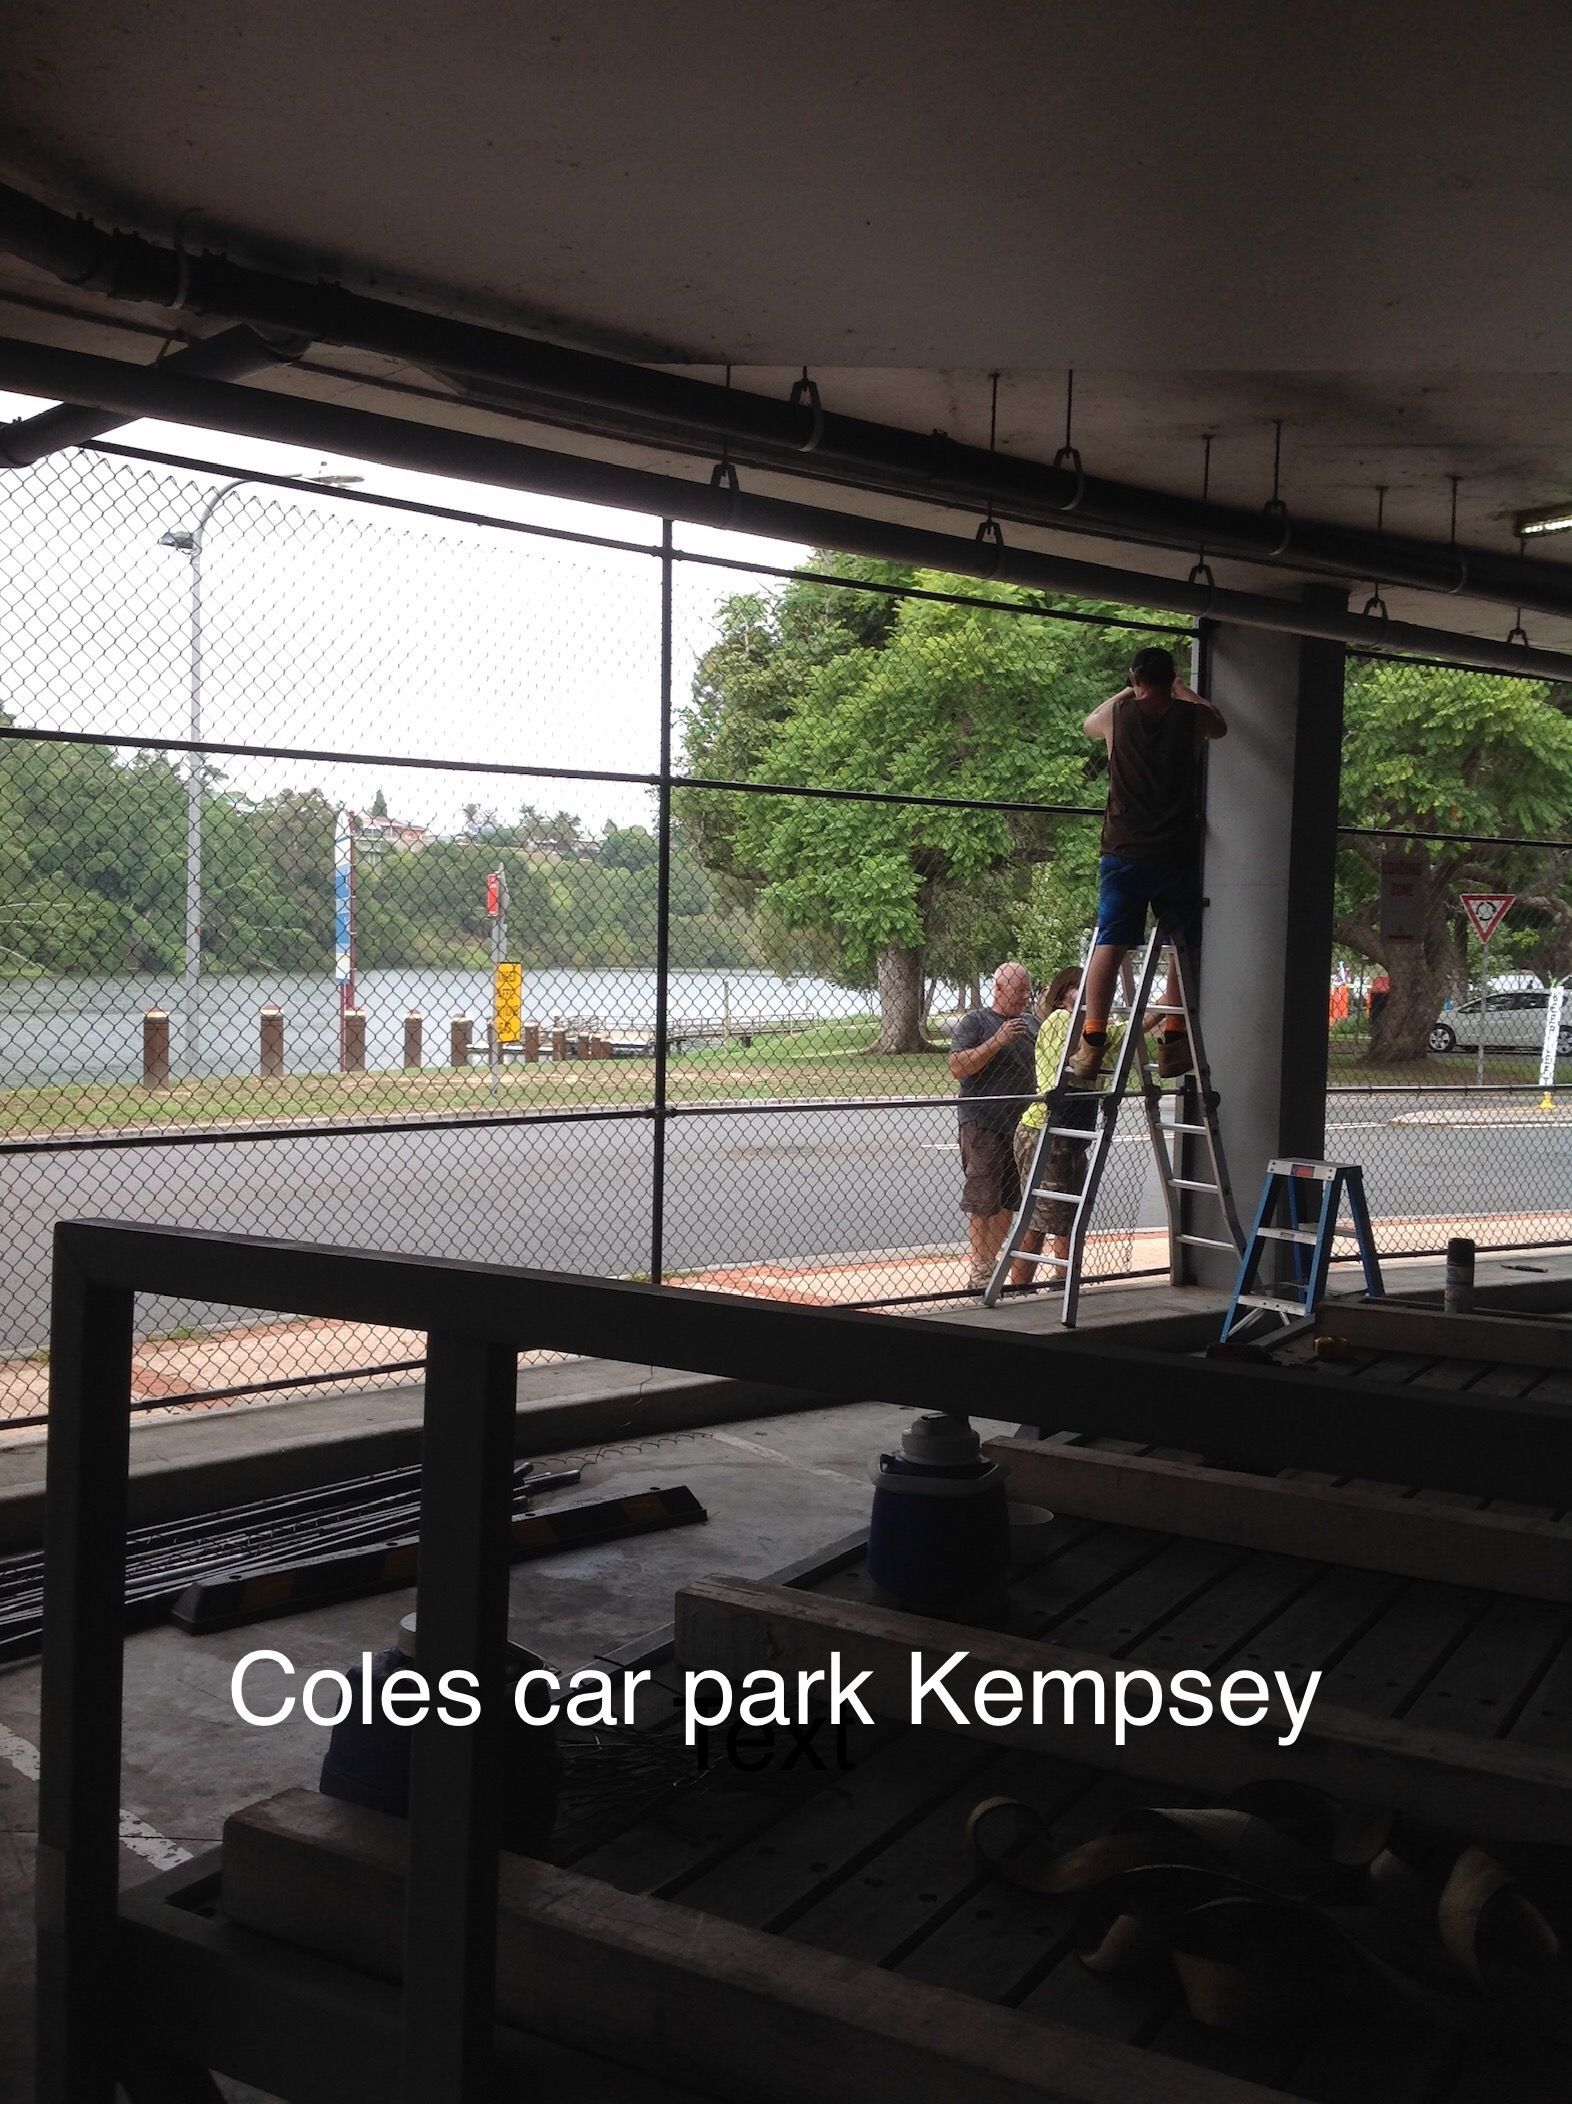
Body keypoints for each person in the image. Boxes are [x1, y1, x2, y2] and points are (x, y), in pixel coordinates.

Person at [1071, 646, 1227, 1084]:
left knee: (1111, 940)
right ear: (1171, 676)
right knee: (1182, 942)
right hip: (1176, 852)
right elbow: (1219, 723)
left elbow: (1088, 723)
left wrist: (1126, 692)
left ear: (1135, 677)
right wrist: (1183, 691)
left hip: (1123, 850)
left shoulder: (1117, 718)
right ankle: (1174, 1037)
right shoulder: (1190, 718)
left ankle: (1092, 1040)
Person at [1008, 966, 1125, 1287]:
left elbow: (1121, 1033)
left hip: (1070, 1130)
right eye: (1077, 988)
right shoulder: (1062, 1021)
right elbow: (1100, 1041)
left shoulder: (1093, 1029)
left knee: (1068, 1215)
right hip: (1046, 1129)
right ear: (1061, 999)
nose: (1086, 993)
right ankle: (1018, 1290)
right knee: (1039, 1218)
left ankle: (1064, 1280)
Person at [948, 962, 1038, 1289]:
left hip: (1020, 1125)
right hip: (983, 1121)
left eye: (1028, 990)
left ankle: (990, 1263)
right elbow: (957, 1067)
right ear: (998, 989)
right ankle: (980, 1268)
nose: (1026, 996)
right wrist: (997, 1041)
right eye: (1019, 990)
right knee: (983, 1198)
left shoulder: (1032, 1024)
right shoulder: (976, 1022)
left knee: (1009, 1199)